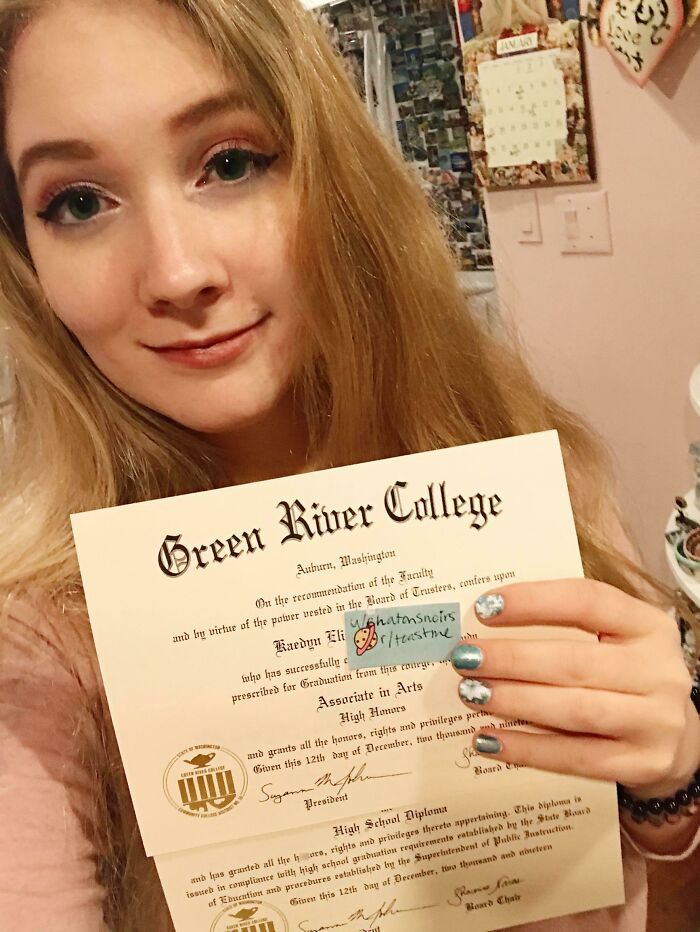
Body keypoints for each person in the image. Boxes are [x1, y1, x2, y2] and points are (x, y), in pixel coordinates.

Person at [0, 1, 697, 929]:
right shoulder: (40, 648)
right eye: (79, 202)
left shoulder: (534, 492)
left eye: (230, 164)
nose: (176, 272)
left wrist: (669, 793)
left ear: (335, 178)